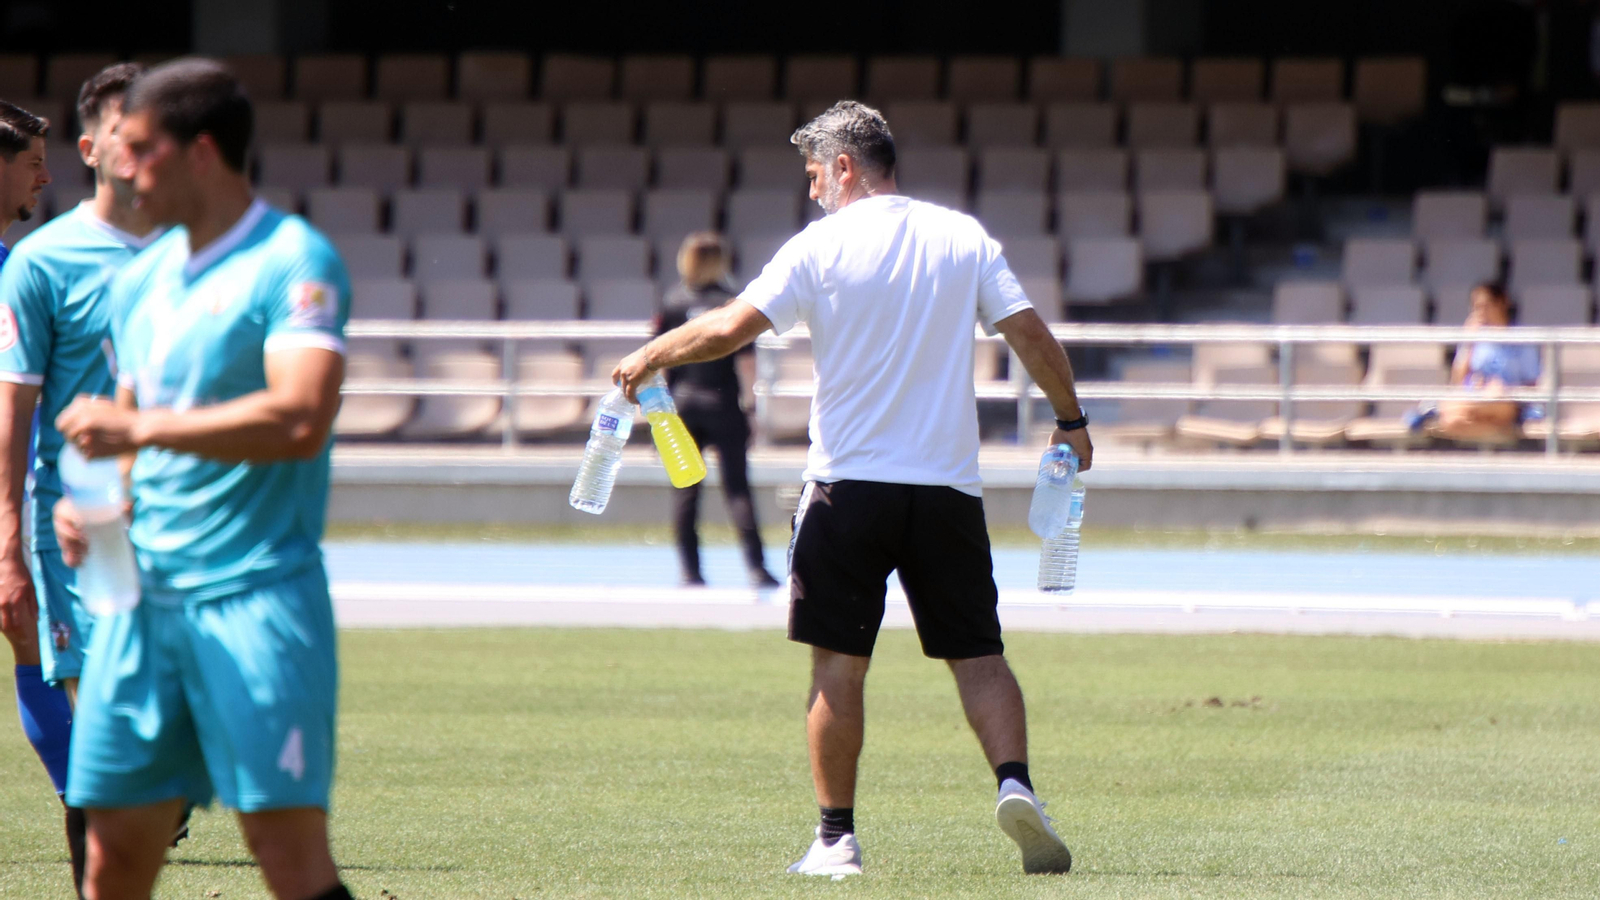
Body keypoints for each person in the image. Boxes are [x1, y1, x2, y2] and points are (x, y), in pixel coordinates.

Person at [613, 101, 1093, 878]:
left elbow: (730, 327)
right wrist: (1071, 420)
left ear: (844, 167)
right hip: (945, 491)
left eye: (813, 174)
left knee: (838, 667)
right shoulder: (961, 237)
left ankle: (836, 840)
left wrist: (650, 355)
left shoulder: (821, 246)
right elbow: (1030, 334)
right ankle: (1017, 787)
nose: (810, 192)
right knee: (980, 656)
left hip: (847, 488)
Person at [51, 58, 354, 900]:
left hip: (254, 598)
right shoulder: (140, 280)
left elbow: (300, 418)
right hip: (138, 604)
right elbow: (123, 434)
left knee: (287, 856)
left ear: (201, 153)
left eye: (142, 147)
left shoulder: (292, 260)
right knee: (110, 856)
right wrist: (98, 508)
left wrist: (137, 428)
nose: (122, 163)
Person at [0, 63, 160, 896]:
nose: (43, 172)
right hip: (72, 518)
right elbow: (15, 404)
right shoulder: (40, 263)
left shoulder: (207, 253)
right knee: (91, 711)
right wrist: (9, 537)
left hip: (175, 519)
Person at [655, 232, 779, 588]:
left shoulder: (673, 302)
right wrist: (752, 407)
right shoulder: (730, 303)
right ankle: (756, 568)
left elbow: (661, 358)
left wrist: (659, 415)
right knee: (737, 488)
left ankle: (690, 572)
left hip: (683, 403)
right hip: (722, 402)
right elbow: (746, 362)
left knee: (685, 490)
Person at [1431, 282, 1542, 441]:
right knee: (1451, 421)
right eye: (1476, 307)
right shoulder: (1474, 338)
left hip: (1507, 401)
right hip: (1474, 396)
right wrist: (1469, 342)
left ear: (1502, 304)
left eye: (1485, 306)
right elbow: (1457, 381)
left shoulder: (1521, 340)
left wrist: (1504, 387)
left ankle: (1481, 422)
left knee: (1457, 412)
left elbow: (1532, 384)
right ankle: (1496, 432)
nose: (1480, 312)